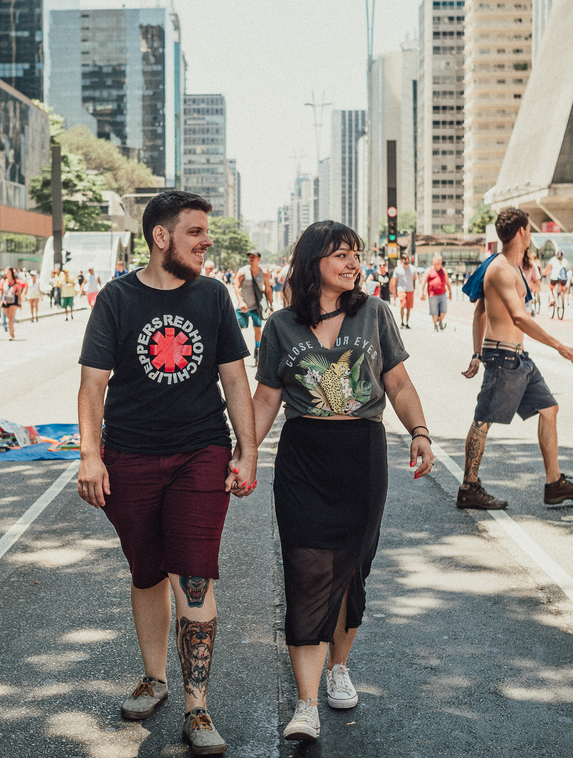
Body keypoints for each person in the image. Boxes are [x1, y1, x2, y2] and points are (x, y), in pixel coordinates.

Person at [77, 189, 257, 756]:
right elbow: (92, 385)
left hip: (199, 452)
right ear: (161, 237)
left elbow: (233, 380)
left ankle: (196, 705)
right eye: (196, 232)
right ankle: (155, 677)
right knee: (147, 571)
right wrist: (90, 454)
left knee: (193, 575)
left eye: (207, 232)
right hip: (129, 456)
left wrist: (247, 451)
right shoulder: (116, 298)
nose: (208, 242)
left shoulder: (214, 297)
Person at [249, 221, 433, 742]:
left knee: (352, 569)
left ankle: (338, 667)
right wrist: (243, 456)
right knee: (306, 571)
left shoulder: (373, 312)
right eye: (341, 255)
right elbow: (265, 399)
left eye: (356, 254)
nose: (353, 263)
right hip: (304, 458)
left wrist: (419, 430)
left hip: (362, 455)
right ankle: (305, 703)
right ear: (313, 264)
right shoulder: (280, 325)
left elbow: (396, 381)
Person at [459, 208, 573, 510]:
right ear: (521, 232)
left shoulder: (511, 266)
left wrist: (475, 354)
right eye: (529, 230)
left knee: (549, 409)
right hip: (504, 358)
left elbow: (480, 310)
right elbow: (518, 318)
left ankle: (554, 483)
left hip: (519, 358)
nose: (530, 235)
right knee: (483, 420)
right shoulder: (500, 269)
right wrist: (560, 346)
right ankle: (469, 487)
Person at [233, 249, 273, 361]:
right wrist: (240, 301)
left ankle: (257, 350)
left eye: (253, 257)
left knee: (257, 329)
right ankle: (234, 352)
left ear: (258, 259)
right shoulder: (243, 272)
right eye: (249, 256)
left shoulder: (264, 273)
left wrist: (271, 305)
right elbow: (236, 286)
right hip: (243, 307)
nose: (250, 258)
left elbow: (268, 289)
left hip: (257, 307)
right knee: (236, 328)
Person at [420, 253, 451, 332]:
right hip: (432, 294)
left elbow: (447, 282)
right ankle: (435, 325)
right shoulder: (428, 270)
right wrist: (422, 293)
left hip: (442, 294)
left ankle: (440, 321)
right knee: (434, 312)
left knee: (444, 311)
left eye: (440, 261)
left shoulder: (443, 270)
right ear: (433, 262)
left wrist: (450, 293)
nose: (439, 263)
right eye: (437, 261)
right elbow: (423, 282)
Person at [392, 255, 417, 329]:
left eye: (407, 259)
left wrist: (417, 289)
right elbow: (394, 281)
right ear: (401, 260)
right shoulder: (397, 269)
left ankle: (407, 323)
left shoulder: (413, 269)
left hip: (410, 290)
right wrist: (394, 292)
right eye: (404, 259)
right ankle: (402, 322)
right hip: (401, 289)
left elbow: (416, 279)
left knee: (409, 307)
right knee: (403, 305)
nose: (406, 260)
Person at [0, 267, 23, 341]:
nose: (6, 273)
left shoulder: (16, 282)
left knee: (11, 317)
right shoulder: (3, 282)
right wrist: (0, 302)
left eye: (8, 272)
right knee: (8, 317)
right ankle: (12, 331)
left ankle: (11, 334)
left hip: (14, 300)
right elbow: (1, 292)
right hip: (6, 301)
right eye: (6, 272)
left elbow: (19, 293)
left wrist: (20, 302)